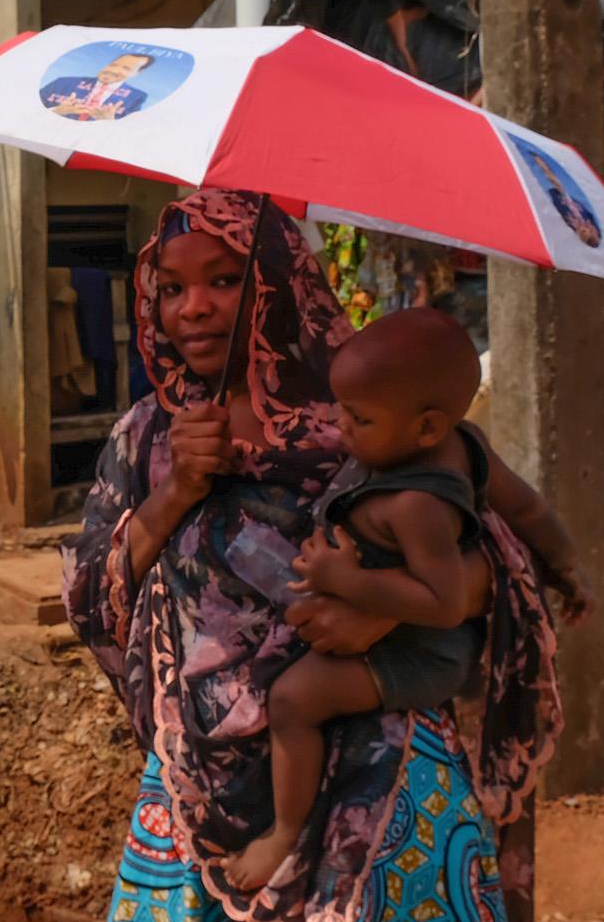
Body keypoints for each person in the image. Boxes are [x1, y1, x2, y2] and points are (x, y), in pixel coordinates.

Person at [62, 188, 578, 922]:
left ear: (282, 283)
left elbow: (502, 562)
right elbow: (92, 597)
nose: (196, 308)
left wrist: (391, 613)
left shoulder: (373, 415)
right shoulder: (146, 438)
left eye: (224, 279)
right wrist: (177, 492)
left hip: (379, 795)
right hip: (197, 804)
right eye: (170, 288)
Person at [223, 307, 579, 891]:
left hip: (421, 651)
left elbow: (440, 601)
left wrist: (347, 582)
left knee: (291, 701)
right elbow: (530, 510)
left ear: (426, 429)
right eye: (341, 409)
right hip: (411, 631)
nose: (340, 428)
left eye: (359, 419)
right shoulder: (468, 444)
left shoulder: (416, 503)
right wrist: (570, 569)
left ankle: (283, 832)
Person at [40, 50, 157, 121]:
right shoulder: (63, 82)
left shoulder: (137, 97)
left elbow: (127, 132)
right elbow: (30, 110)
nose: (114, 70)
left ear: (137, 73)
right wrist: (56, 111)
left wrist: (108, 122)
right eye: (114, 64)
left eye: (125, 68)